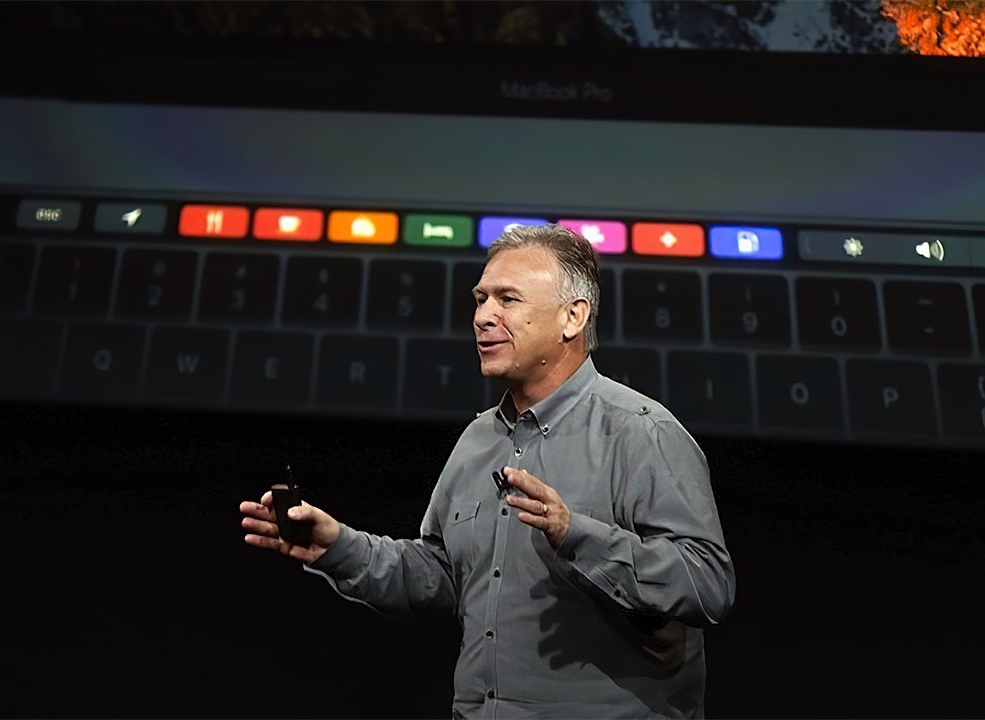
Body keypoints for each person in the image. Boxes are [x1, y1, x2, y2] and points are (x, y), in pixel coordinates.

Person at [240, 224, 735, 718]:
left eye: (508, 300)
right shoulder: (479, 441)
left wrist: (577, 535)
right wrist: (338, 548)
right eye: (480, 299)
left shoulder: (640, 432)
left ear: (572, 316)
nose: (483, 317)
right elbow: (441, 574)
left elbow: (708, 585)